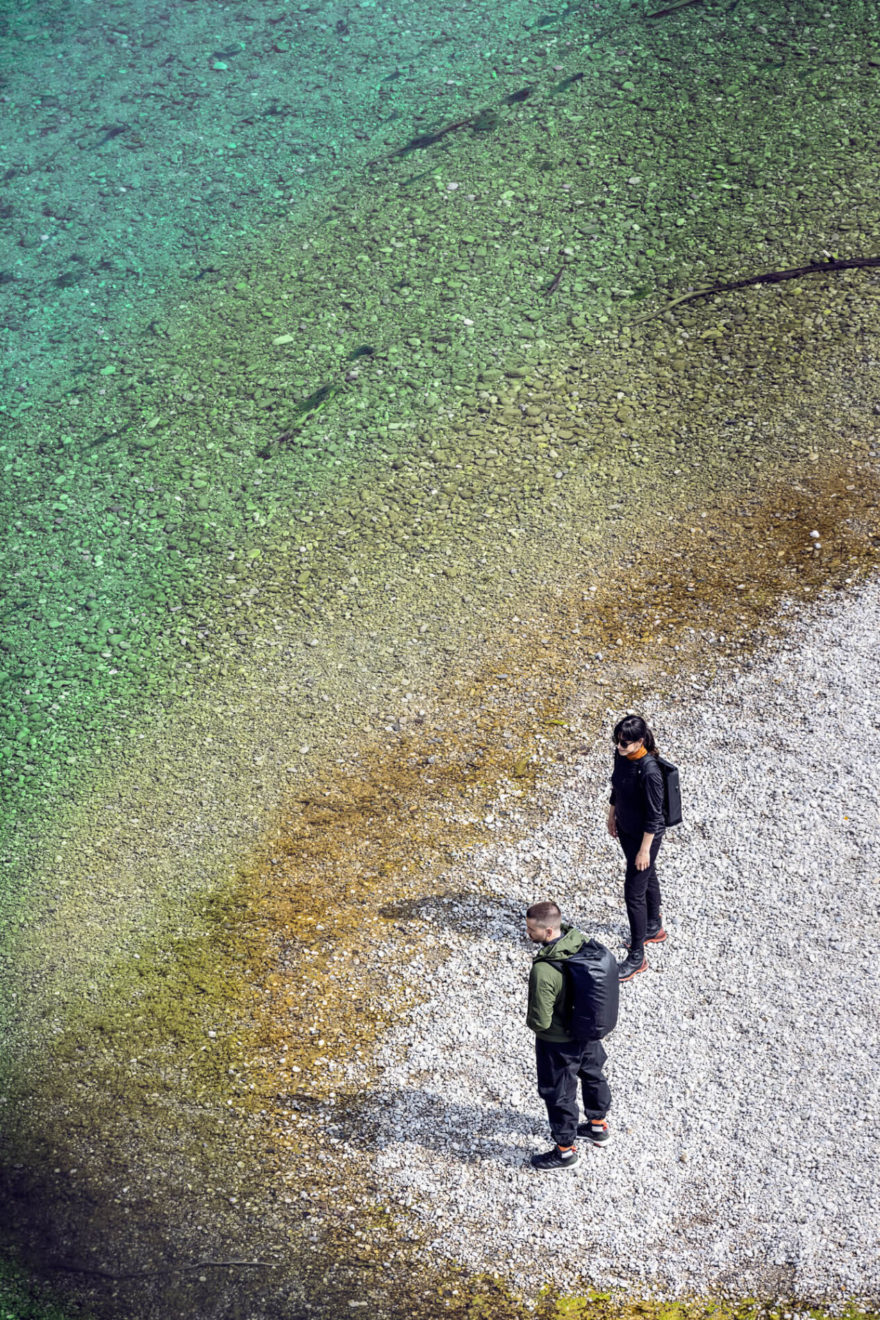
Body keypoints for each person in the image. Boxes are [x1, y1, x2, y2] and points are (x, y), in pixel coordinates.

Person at [525, 900, 612, 1171]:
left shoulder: (544, 970)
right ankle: (598, 1127)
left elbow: (540, 1020)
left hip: (558, 1043)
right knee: (593, 1074)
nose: (528, 934)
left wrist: (538, 1028)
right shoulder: (579, 942)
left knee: (559, 1092)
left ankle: (565, 1152)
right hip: (588, 1031)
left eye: (532, 930)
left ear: (549, 932)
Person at [607, 714, 667, 983]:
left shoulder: (650, 772)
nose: (620, 747)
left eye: (625, 743)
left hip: (646, 837)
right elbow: (616, 785)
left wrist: (645, 851)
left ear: (640, 741)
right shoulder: (622, 755)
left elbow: (655, 817)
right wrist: (612, 815)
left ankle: (637, 956)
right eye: (618, 741)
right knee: (647, 875)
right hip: (626, 830)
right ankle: (654, 926)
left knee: (633, 892)